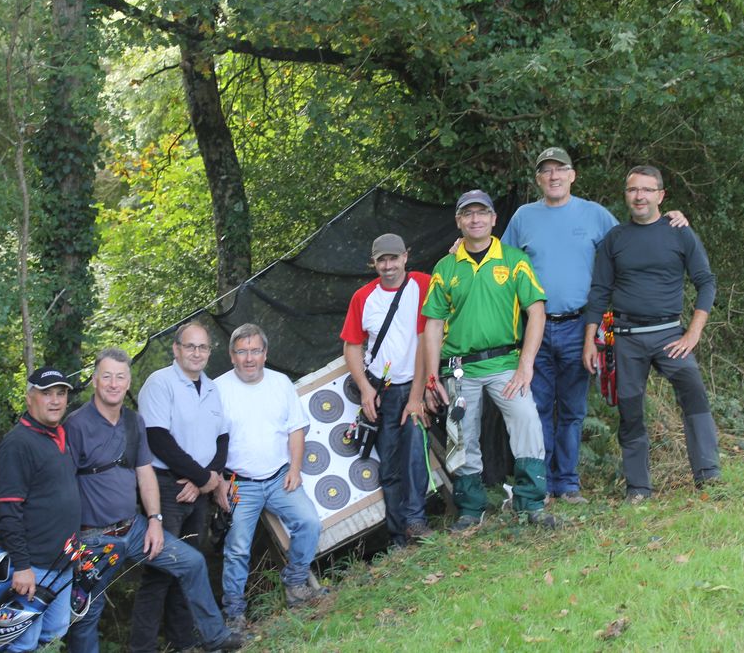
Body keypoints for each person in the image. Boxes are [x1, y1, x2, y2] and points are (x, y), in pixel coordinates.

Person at [502, 147, 689, 505]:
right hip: (534, 329)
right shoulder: (524, 217)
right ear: (538, 178)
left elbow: (633, 239)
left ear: (573, 175)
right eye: (547, 171)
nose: (554, 176)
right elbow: (500, 261)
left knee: (572, 410)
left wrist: (671, 218)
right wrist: (460, 247)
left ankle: (567, 484)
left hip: (580, 327)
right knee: (536, 409)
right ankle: (540, 484)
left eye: (561, 170)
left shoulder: (594, 215)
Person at [65, 348, 241, 653]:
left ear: (129, 381)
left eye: (120, 377)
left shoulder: (133, 422)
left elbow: (145, 475)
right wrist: (72, 543)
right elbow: (63, 486)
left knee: (191, 562)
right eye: (106, 376)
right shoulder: (75, 425)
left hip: (133, 529)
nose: (113, 383)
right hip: (92, 538)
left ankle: (215, 637)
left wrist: (155, 522)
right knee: (86, 614)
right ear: (95, 380)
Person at [582, 165, 720, 504]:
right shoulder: (615, 239)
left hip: (670, 336)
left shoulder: (680, 232)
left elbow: (706, 282)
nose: (639, 196)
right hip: (626, 337)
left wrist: (693, 333)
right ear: (626, 195)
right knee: (630, 411)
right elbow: (599, 291)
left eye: (646, 190)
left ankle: (708, 475)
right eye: (632, 190)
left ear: (661, 195)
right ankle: (639, 488)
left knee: (695, 397)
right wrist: (590, 339)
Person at [422, 189, 555, 531]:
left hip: (506, 363)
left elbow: (536, 313)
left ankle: (531, 502)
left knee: (527, 420)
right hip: (459, 369)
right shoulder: (446, 267)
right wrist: (431, 377)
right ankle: (471, 508)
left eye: (482, 213)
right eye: (468, 214)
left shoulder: (513, 260)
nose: (475, 219)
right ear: (459, 222)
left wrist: (526, 363)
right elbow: (434, 324)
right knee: (462, 434)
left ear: (494, 219)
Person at [214, 323, 324, 634]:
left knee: (309, 523)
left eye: (255, 351)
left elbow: (295, 429)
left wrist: (294, 469)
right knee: (236, 548)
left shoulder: (280, 383)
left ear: (265, 354)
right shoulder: (218, 389)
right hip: (239, 483)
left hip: (279, 477)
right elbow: (209, 440)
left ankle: (295, 583)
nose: (249, 358)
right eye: (242, 351)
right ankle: (234, 615)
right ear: (232, 355)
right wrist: (218, 483)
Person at [129, 322, 228, 653]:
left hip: (197, 493)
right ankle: (143, 647)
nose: (196, 353)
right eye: (190, 346)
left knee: (188, 567)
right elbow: (158, 438)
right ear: (176, 349)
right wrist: (203, 479)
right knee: (159, 571)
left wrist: (208, 479)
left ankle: (182, 641)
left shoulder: (213, 389)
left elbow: (223, 438)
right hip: (165, 490)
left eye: (202, 347)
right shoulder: (160, 383)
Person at [341, 233, 433, 548]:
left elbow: (427, 340)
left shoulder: (422, 284)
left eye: (394, 258)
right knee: (390, 463)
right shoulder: (362, 297)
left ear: (406, 257)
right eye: (382, 259)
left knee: (415, 454)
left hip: (414, 384)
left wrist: (418, 396)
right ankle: (398, 536)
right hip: (382, 391)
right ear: (374, 263)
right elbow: (352, 348)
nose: (388, 265)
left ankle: (417, 521)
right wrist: (366, 389)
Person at [0, 367, 81, 652]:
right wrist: (22, 566)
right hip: (33, 568)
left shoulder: (61, 436)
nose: (55, 401)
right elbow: (9, 511)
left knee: (54, 635)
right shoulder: (17, 443)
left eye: (61, 393)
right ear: (30, 398)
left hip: (63, 564)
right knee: (22, 644)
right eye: (46, 394)